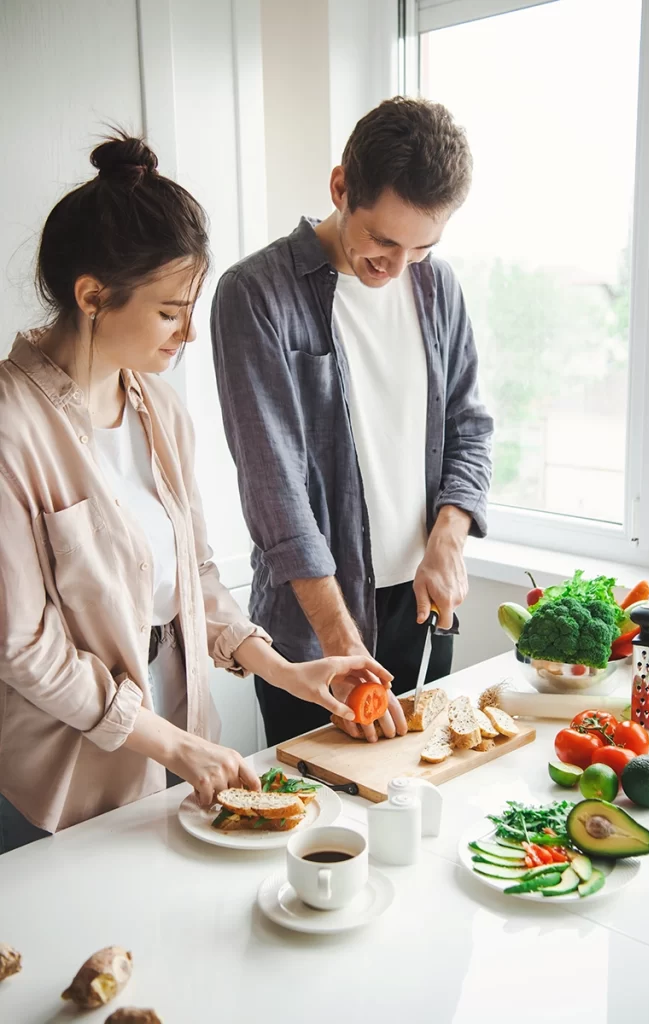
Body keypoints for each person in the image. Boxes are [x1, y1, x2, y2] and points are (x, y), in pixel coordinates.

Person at [0, 134, 390, 855]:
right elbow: (25, 651)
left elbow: (195, 576)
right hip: (61, 773)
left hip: (176, 741)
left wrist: (284, 670)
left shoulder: (159, 408)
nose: (188, 334)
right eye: (168, 312)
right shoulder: (11, 429)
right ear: (91, 296)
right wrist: (169, 745)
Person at [211, 97, 494, 748]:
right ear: (340, 187)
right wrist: (343, 648)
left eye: (421, 246)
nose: (396, 266)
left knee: (416, 804)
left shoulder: (436, 286)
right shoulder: (254, 294)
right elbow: (273, 490)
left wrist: (447, 539)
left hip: (420, 608)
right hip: (316, 628)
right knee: (320, 824)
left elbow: (469, 423)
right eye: (383, 240)